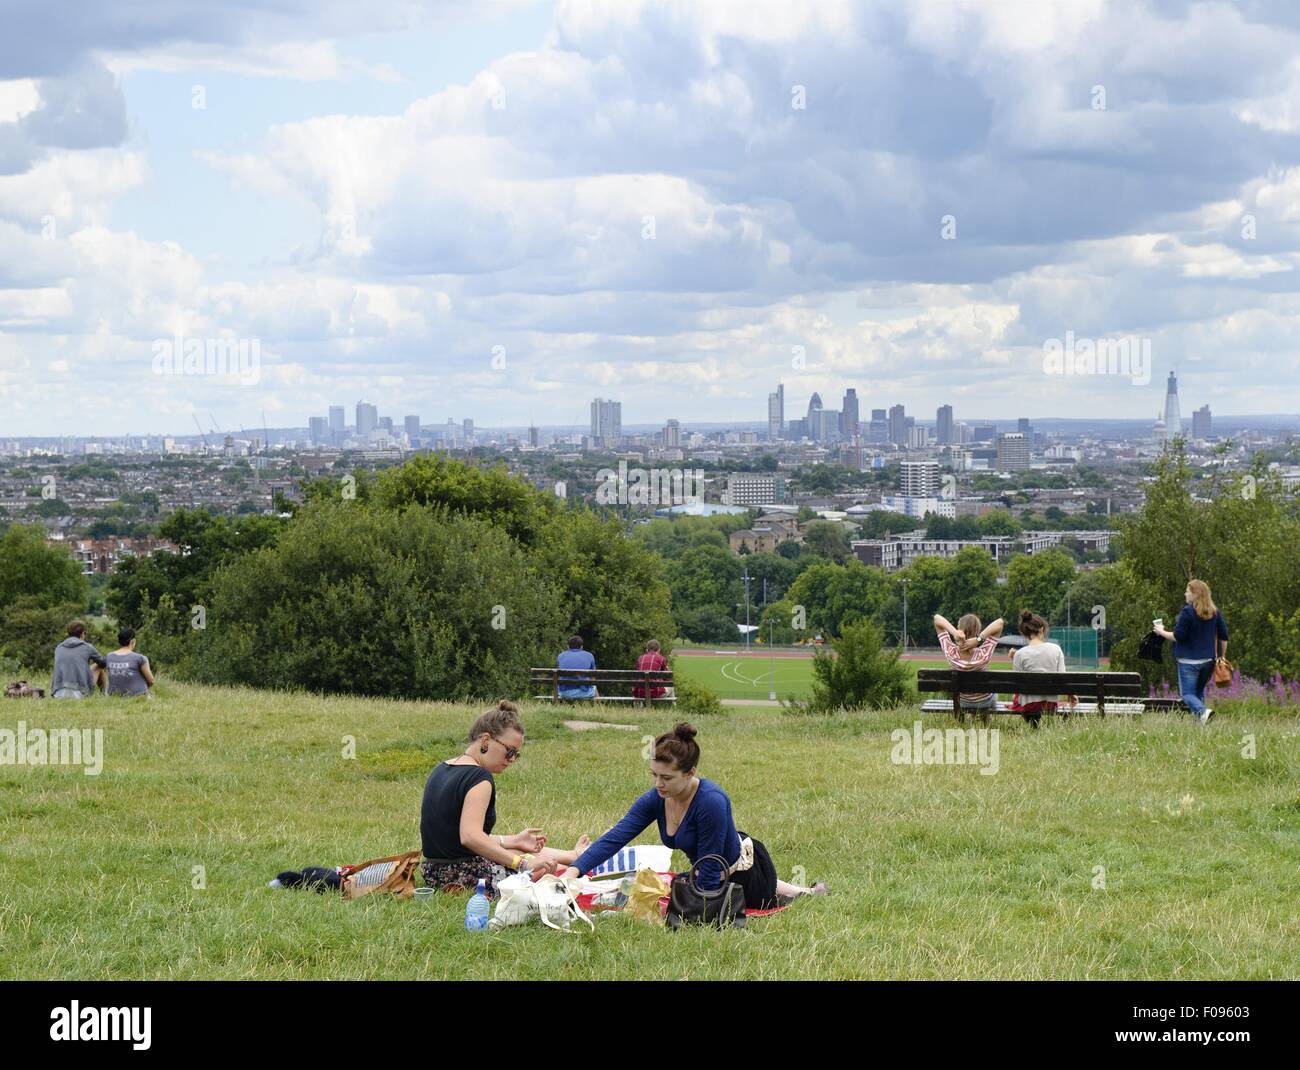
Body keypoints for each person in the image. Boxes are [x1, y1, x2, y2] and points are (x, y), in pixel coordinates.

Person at [559, 723, 827, 910]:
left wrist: (698, 906)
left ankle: (795, 894)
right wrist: (574, 870)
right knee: (672, 884)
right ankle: (804, 891)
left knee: (677, 889)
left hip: (741, 878)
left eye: (666, 777)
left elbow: (712, 866)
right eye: (654, 775)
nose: (658, 783)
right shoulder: (657, 798)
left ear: (690, 773)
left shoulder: (711, 801)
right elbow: (616, 837)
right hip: (717, 865)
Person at [419, 700, 591, 898]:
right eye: (509, 751)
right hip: (464, 875)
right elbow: (470, 836)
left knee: (519, 848)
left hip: (433, 871)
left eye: (516, 754)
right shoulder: (479, 778)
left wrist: (512, 840)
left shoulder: (442, 769)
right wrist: (522, 864)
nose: (511, 759)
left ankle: (573, 856)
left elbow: (452, 837)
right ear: (485, 740)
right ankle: (577, 862)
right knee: (546, 868)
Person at [1153, 579, 1229, 724]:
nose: (1185, 594)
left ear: (1195, 594)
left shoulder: (1187, 612)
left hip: (1188, 661)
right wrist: (1221, 657)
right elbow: (1224, 637)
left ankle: (1203, 712)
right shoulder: (1214, 612)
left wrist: (1161, 631)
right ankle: (1200, 723)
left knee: (1187, 694)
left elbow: (1177, 636)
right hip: (1208, 661)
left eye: (1187, 591)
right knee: (1198, 693)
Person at [933, 612, 1004, 718]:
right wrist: (979, 638)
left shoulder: (951, 653)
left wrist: (954, 632)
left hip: (961, 702)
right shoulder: (983, 654)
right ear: (978, 631)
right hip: (984, 702)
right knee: (992, 694)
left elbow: (936, 618)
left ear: (959, 629)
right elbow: (1000, 622)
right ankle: (984, 722)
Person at [1009, 610, 1068, 726]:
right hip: (1050, 704)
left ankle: (1033, 725)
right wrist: (1072, 695)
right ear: (1042, 629)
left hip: (1029, 706)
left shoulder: (1019, 654)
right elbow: (1063, 678)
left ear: (1025, 633)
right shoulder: (1056, 649)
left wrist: (1015, 657)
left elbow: (1017, 685)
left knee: (1018, 697)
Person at [50, 620, 106, 700]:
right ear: (83, 634)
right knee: (98, 666)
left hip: (57, 693)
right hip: (79, 693)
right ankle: (104, 694)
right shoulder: (87, 647)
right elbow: (103, 663)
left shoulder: (59, 647)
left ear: (68, 634)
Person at [105, 627, 155, 698]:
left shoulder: (109, 656)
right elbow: (151, 681)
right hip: (138, 697)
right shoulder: (140, 658)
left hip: (113, 696)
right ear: (133, 641)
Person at [556, 635, 598, 701]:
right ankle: (599, 707)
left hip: (564, 693)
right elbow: (593, 677)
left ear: (568, 646)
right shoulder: (589, 655)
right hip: (585, 693)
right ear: (581, 647)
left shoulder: (560, 656)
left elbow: (559, 675)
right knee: (594, 685)